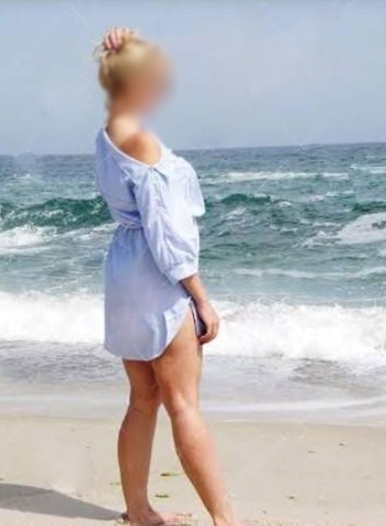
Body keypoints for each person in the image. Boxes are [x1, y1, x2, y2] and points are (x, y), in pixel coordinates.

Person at [94, 28, 239, 526]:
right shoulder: (139, 137)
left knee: (143, 400)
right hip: (156, 279)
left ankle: (138, 510)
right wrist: (200, 296)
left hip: (125, 274)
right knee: (183, 403)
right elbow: (166, 230)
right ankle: (225, 519)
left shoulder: (110, 131)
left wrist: (124, 47)